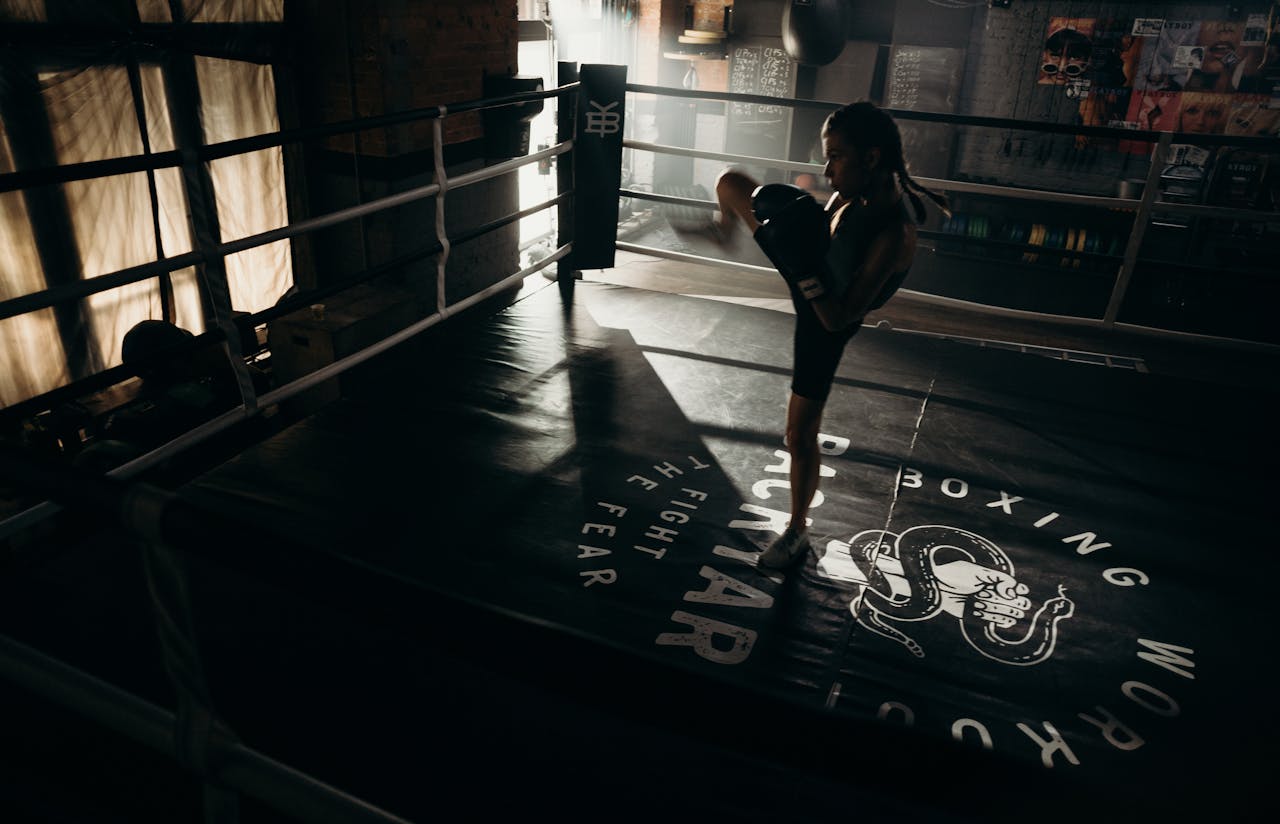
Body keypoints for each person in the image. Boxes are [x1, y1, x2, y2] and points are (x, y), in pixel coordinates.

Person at [708, 101, 948, 569]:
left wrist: (801, 267)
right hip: (809, 264)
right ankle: (722, 231)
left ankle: (796, 532)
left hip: (824, 316)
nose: (826, 167)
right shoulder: (852, 190)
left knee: (798, 434)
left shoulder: (895, 235)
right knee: (731, 183)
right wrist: (802, 225)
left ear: (871, 158)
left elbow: (838, 317)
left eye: (836, 156)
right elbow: (825, 236)